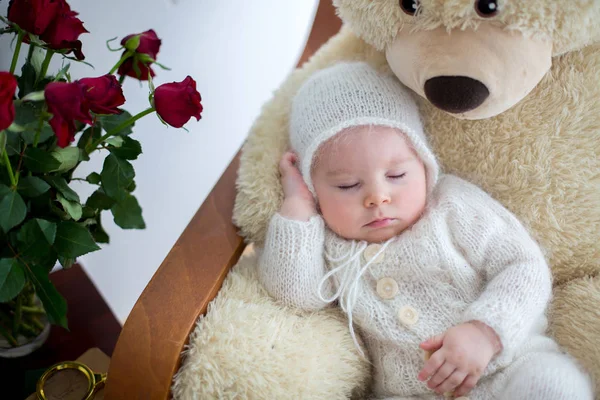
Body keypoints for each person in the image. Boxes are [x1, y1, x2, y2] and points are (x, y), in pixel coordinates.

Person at [258, 62, 592, 399]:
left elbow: (524, 266)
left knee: (553, 384)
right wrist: (298, 207)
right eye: (347, 185)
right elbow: (294, 295)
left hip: (507, 369)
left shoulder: (451, 206)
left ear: (423, 164)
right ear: (315, 188)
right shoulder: (332, 246)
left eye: (397, 176)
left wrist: (485, 331)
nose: (377, 197)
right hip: (413, 393)